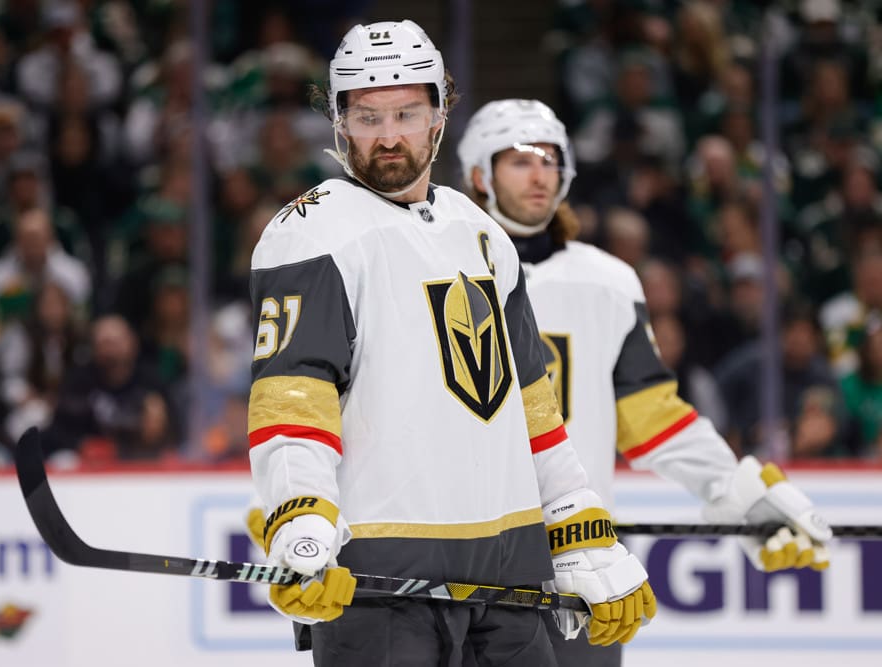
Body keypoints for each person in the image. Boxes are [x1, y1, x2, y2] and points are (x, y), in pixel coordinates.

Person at [246, 20, 656, 666]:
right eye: (368, 116)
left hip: (511, 573)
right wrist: (300, 515)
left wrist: (580, 531)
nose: (388, 136)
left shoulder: (480, 232)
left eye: (407, 113)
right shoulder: (311, 231)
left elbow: (533, 404)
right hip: (385, 577)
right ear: (338, 120)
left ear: (440, 115)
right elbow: (294, 394)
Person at [457, 98, 834, 666]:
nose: (539, 175)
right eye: (519, 161)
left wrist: (737, 491)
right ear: (479, 174)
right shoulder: (435, 270)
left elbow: (651, 414)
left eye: (550, 159)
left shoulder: (607, 282)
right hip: (463, 560)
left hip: (581, 559)